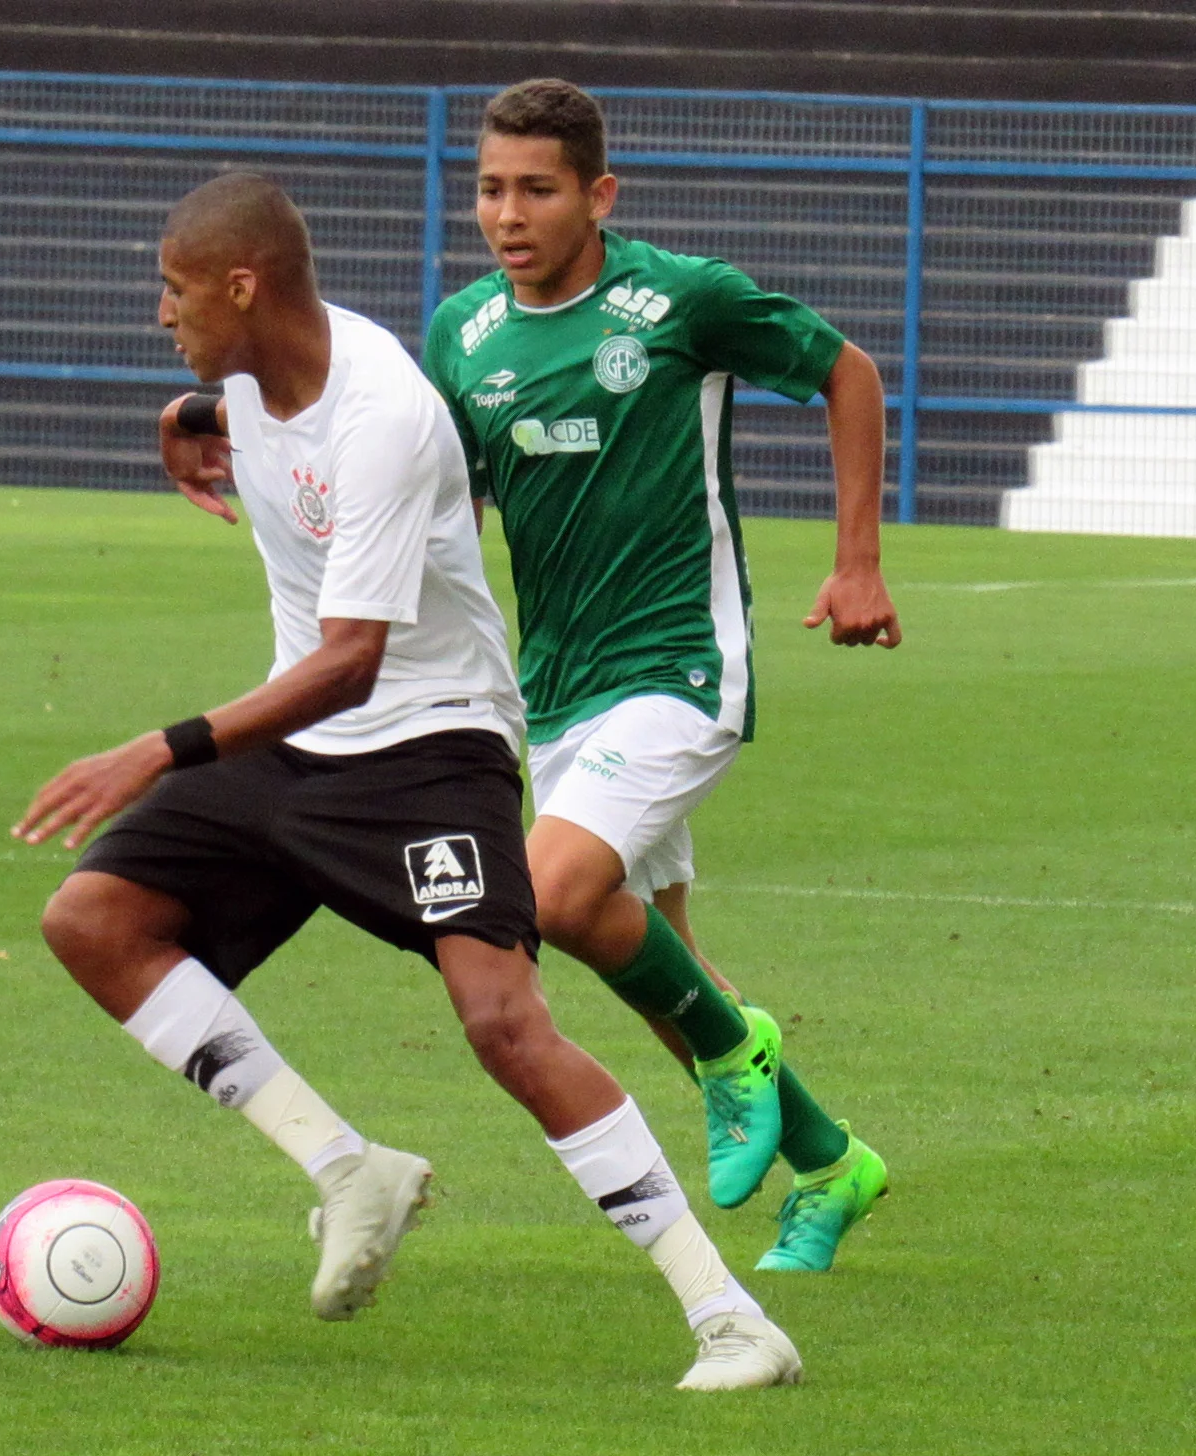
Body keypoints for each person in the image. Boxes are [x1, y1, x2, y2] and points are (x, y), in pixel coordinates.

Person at [14, 172, 802, 1389]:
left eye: (175, 292)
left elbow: (352, 662)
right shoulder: (246, 369)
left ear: (243, 285)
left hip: (432, 748)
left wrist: (156, 748)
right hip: (296, 747)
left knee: (503, 1021)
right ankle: (347, 1167)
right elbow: (244, 417)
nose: (160, 313)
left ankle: (731, 1316)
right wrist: (186, 413)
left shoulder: (381, 409)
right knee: (95, 920)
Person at [421, 80, 902, 1273]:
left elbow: (847, 371)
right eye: (490, 187)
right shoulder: (463, 334)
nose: (507, 214)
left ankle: (740, 1058)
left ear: (599, 194)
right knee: (663, 969)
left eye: (537, 189)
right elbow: (423, 487)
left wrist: (856, 565)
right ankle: (835, 1165)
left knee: (559, 896)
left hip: (682, 663)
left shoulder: (680, 300)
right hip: (558, 690)